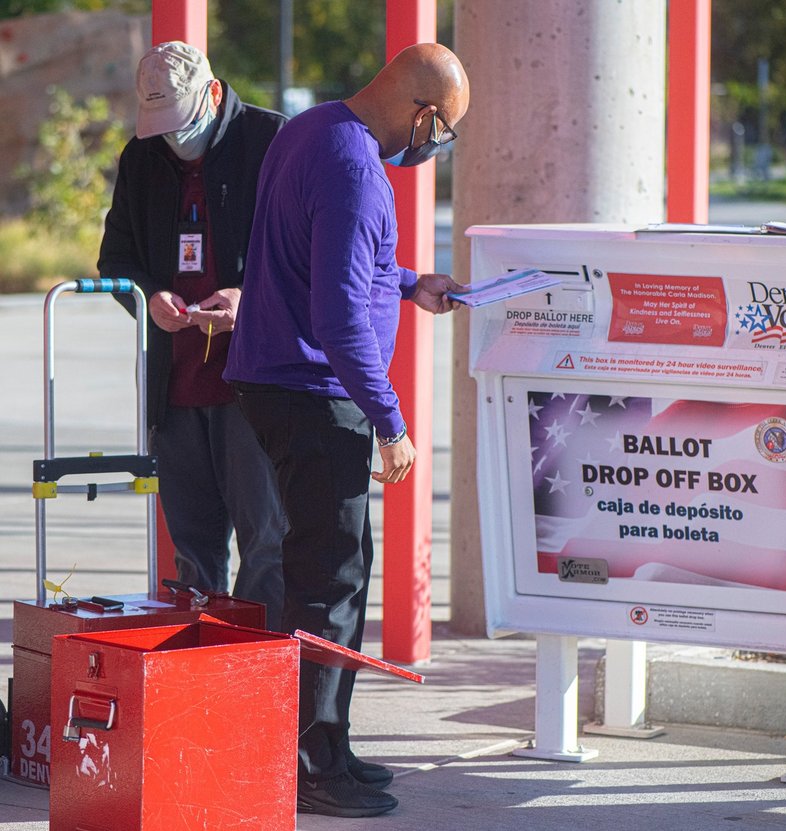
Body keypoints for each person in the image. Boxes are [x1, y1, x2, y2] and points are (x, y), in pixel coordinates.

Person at [225, 42, 469, 818]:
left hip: (274, 380)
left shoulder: (310, 130)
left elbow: (332, 263)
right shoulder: (361, 173)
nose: (431, 147)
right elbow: (336, 316)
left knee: (333, 571)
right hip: (310, 392)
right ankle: (306, 761)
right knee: (328, 583)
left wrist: (410, 284)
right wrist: (391, 422)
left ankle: (328, 745)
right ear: (422, 111)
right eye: (441, 131)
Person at [98, 41, 288, 629]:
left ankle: (253, 668)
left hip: (253, 383)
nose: (170, 139)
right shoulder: (141, 157)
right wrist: (148, 297)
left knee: (267, 545)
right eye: (158, 126)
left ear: (211, 93)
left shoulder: (272, 142)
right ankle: (200, 671)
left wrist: (246, 299)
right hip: (175, 389)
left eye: (178, 123)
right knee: (193, 552)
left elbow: (309, 256)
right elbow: (117, 257)